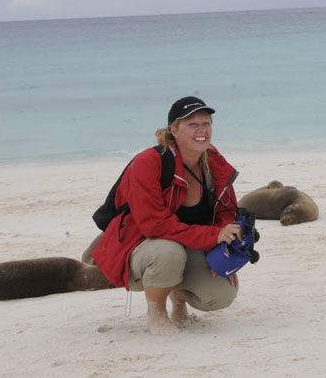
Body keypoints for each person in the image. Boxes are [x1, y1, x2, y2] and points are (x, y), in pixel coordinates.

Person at [91, 96, 243, 335]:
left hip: (187, 244)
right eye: (192, 124)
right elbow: (155, 225)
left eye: (206, 123)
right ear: (174, 129)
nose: (202, 130)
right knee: (167, 251)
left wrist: (223, 250)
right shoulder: (149, 162)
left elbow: (226, 212)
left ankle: (178, 296)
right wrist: (214, 236)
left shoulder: (213, 163)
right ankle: (156, 311)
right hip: (138, 247)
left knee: (221, 295)